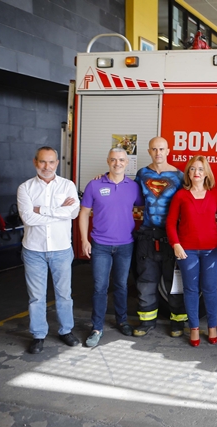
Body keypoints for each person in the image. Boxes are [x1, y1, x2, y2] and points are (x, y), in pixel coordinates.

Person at [17, 147, 80, 354]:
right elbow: (28, 218)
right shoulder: (25, 188)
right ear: (35, 162)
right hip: (34, 250)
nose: (47, 166)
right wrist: (59, 212)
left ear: (57, 163)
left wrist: (41, 210)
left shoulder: (67, 185)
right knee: (36, 297)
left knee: (64, 294)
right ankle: (38, 334)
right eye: (43, 162)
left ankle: (66, 330)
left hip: (61, 249)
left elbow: (73, 212)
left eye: (51, 162)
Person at [78, 148, 144, 348]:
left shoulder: (133, 187)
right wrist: (84, 240)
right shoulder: (94, 184)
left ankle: (121, 320)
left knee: (122, 286)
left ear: (127, 163)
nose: (118, 163)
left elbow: (143, 206)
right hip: (101, 245)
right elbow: (83, 213)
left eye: (122, 160)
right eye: (114, 160)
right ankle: (97, 327)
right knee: (100, 287)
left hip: (125, 245)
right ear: (108, 161)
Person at [166, 155, 217, 346]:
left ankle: (212, 326)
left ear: (206, 173)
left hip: (212, 250)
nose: (196, 173)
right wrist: (176, 244)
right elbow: (170, 222)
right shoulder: (180, 195)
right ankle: (193, 327)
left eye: (200, 169)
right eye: (192, 169)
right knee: (191, 290)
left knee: (210, 289)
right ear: (188, 173)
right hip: (187, 251)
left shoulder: (216, 194)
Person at [133, 137, 187, 337]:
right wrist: (102, 177)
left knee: (173, 281)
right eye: (154, 149)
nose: (158, 153)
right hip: (147, 234)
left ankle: (177, 323)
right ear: (149, 151)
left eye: (162, 149)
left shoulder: (179, 176)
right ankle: (146, 322)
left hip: (171, 236)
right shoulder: (142, 174)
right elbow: (126, 189)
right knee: (146, 280)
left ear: (168, 150)